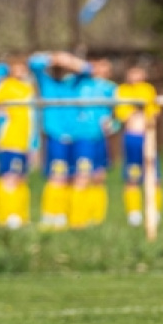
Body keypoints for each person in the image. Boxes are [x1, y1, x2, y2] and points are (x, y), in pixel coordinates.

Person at [28, 51, 86, 229]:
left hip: (76, 136)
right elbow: (33, 63)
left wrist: (70, 60)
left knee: (76, 176)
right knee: (57, 176)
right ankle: (52, 215)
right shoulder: (46, 82)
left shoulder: (74, 83)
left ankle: (74, 216)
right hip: (55, 136)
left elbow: (88, 70)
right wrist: (54, 58)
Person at [61, 54, 117, 228]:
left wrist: (113, 126)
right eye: (97, 65)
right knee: (81, 175)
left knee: (99, 176)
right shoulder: (78, 82)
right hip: (82, 136)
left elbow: (119, 114)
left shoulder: (111, 88)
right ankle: (77, 220)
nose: (100, 69)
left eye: (104, 66)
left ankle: (96, 219)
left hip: (99, 138)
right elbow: (68, 66)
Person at [0, 52, 36, 228]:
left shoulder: (28, 88)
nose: (20, 71)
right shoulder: (6, 86)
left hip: (24, 142)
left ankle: (21, 215)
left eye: (23, 67)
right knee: (9, 177)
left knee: (21, 178)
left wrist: (33, 144)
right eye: (16, 67)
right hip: (10, 140)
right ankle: (6, 216)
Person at [114, 63, 161, 227]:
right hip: (131, 137)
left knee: (154, 175)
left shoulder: (148, 89)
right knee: (132, 176)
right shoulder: (123, 91)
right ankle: (133, 213)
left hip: (148, 137)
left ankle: (154, 210)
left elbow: (153, 112)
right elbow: (123, 115)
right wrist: (136, 109)